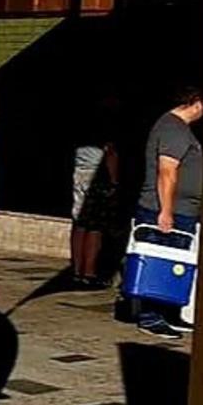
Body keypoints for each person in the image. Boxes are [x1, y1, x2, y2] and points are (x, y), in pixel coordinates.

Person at [132, 86, 203, 339]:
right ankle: (151, 317)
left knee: (175, 266)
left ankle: (168, 312)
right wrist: (166, 211)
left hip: (183, 211)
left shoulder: (178, 129)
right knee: (159, 264)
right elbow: (167, 171)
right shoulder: (173, 129)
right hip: (165, 211)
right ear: (195, 103)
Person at [70, 98, 120, 287]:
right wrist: (114, 181)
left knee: (79, 224)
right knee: (95, 227)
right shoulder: (107, 126)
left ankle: (76, 269)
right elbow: (110, 154)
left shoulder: (81, 125)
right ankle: (89, 272)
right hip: (98, 178)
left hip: (80, 173)